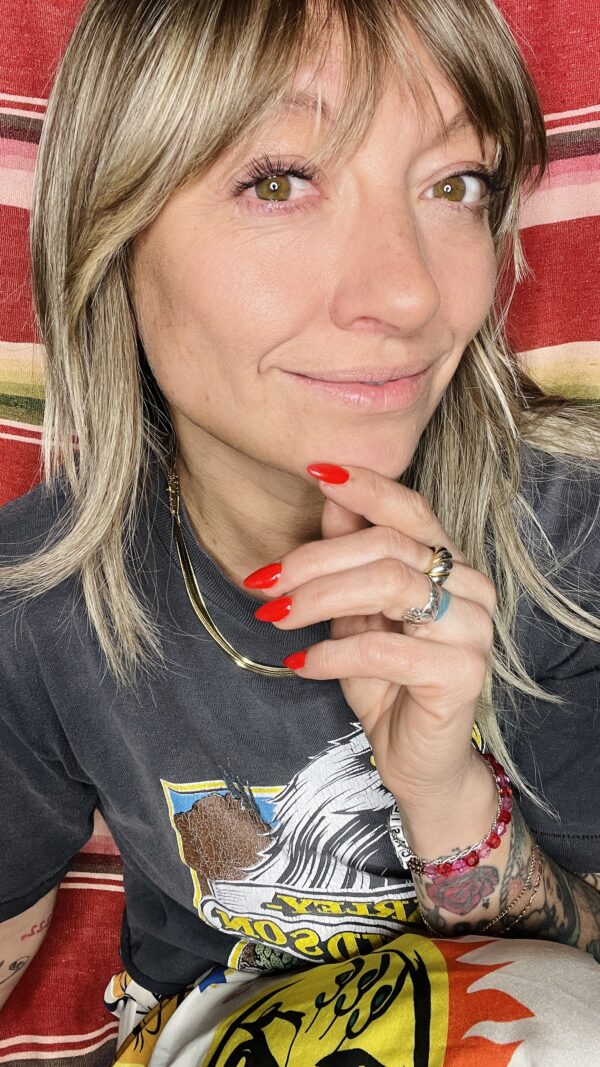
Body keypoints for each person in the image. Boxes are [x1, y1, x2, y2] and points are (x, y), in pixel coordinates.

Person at [1, 0, 599, 1061]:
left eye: (455, 183)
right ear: (112, 234)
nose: (408, 293)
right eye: (279, 182)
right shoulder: (40, 599)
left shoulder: (569, 537)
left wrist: (447, 794)